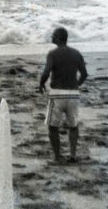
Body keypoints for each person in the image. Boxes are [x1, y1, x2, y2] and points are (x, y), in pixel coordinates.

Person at [38, 27, 88, 163]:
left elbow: (46, 72)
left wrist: (41, 84)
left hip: (57, 94)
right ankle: (72, 155)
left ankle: (57, 157)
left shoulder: (52, 54)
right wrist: (76, 85)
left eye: (53, 35)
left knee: (53, 127)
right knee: (73, 125)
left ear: (58, 38)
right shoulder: (76, 53)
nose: (51, 37)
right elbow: (84, 74)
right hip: (73, 93)